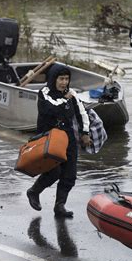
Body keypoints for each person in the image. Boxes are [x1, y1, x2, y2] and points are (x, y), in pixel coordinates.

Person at [26, 65, 92, 218]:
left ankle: (60, 205)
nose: (64, 82)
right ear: (53, 79)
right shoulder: (44, 93)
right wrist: (64, 99)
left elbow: (82, 113)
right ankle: (34, 192)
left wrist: (85, 133)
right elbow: (51, 109)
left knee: (69, 174)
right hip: (48, 137)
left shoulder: (71, 94)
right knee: (53, 172)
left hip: (67, 137)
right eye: (61, 79)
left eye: (67, 79)